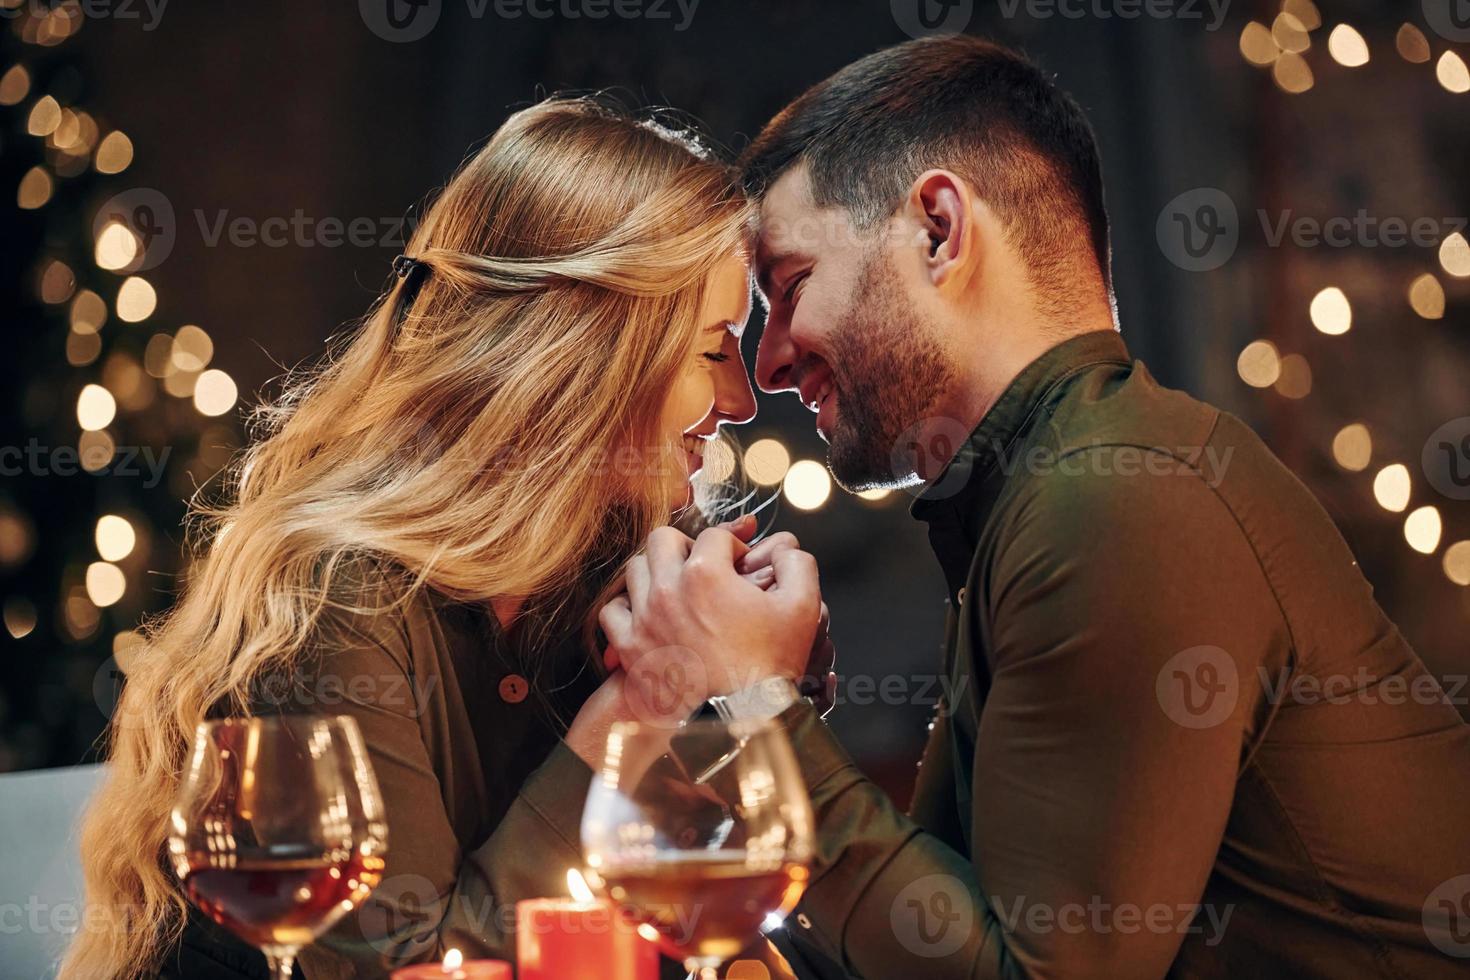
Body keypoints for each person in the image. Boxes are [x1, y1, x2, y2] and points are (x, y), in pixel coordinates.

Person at [599, 36, 1470, 979]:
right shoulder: (1045, 489)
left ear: (938, 228)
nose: (766, 367)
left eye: (792, 286)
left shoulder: (1121, 497)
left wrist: (752, 703)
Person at [63, 96, 821, 980]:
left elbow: (736, 936)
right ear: (576, 357)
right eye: (709, 349)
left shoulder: (634, 580)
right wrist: (643, 708)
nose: (739, 400)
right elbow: (418, 970)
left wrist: (756, 698)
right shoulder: (338, 598)